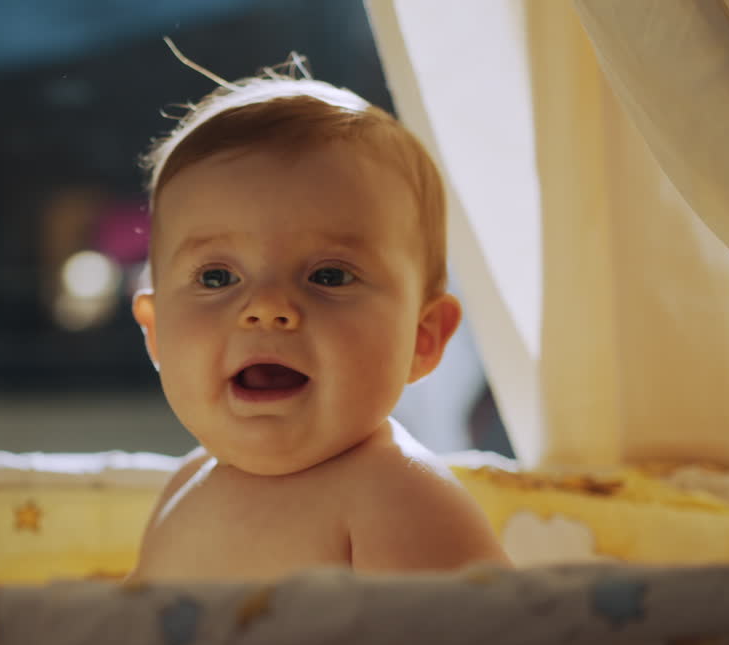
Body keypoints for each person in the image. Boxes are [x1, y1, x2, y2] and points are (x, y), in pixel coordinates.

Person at [127, 58, 508, 581]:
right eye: (216, 277)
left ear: (423, 338)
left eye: (329, 275)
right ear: (155, 333)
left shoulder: (399, 502)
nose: (267, 307)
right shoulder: (187, 483)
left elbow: (488, 637)